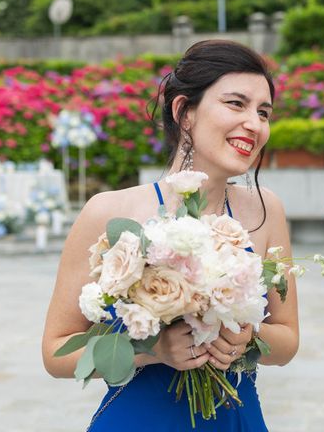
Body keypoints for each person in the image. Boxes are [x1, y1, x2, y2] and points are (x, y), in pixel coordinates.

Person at [42, 40, 299, 431]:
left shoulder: (266, 211)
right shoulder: (109, 212)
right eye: (236, 104)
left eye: (264, 112)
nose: (255, 123)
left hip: (236, 420)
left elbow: (288, 340)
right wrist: (151, 349)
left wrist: (248, 336)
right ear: (184, 112)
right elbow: (56, 351)